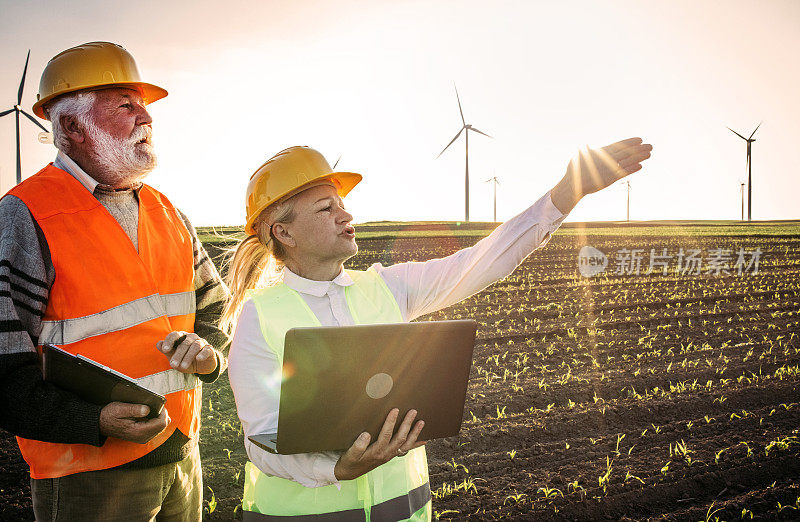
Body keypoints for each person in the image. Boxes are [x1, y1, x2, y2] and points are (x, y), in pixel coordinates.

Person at [222, 139, 652, 520]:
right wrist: (336, 469)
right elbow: (262, 438)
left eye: (341, 203)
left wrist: (567, 193)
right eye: (326, 208)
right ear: (284, 233)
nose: (345, 214)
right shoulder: (260, 317)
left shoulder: (389, 288)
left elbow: (482, 261)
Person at [0, 42, 229, 521]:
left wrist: (210, 356)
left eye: (144, 105)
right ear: (71, 128)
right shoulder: (25, 215)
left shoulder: (169, 212)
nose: (146, 118)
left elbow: (213, 312)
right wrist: (94, 421)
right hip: (89, 478)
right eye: (126, 105)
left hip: (183, 457)